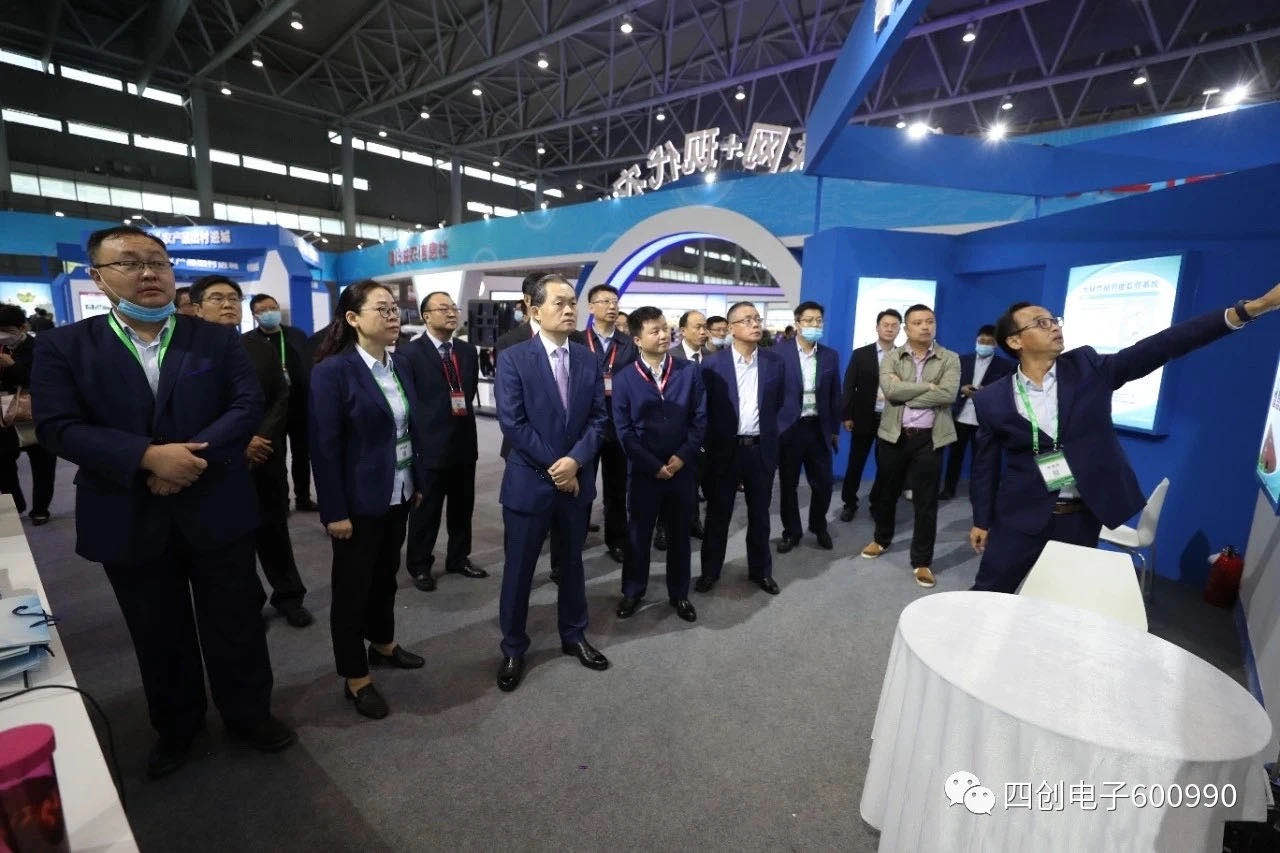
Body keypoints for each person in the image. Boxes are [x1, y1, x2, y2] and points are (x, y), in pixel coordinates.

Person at [31, 225, 294, 779]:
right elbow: (58, 427)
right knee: (156, 630)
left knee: (236, 623)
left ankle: (249, 716)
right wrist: (147, 458)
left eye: (158, 261)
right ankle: (178, 727)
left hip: (215, 503)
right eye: (130, 263)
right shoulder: (65, 346)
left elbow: (245, 407)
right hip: (127, 509)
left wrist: (184, 462)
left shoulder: (216, 340)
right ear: (98, 277)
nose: (149, 272)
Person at [969, 288, 1280, 593]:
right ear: (1015, 341)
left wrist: (1248, 310)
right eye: (1041, 323)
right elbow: (985, 467)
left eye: (1054, 320)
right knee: (989, 592)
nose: (1053, 327)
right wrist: (981, 520)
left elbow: (1162, 345)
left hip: (1080, 518)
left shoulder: (1088, 368)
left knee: (1062, 602)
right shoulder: (990, 400)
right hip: (1019, 516)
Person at [310, 280, 430, 719]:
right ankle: (355, 676)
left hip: (398, 493)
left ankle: (382, 643)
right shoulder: (333, 372)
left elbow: (408, 430)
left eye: (395, 308)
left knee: (385, 577)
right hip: (357, 504)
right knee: (352, 589)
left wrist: (416, 480)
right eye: (382, 309)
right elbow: (323, 448)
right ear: (353, 318)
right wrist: (334, 511)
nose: (393, 316)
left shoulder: (398, 366)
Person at [494, 274, 609, 692]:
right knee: (519, 570)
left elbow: (599, 419)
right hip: (530, 481)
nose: (569, 310)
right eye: (559, 303)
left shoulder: (588, 359)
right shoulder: (513, 357)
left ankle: (574, 634)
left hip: (575, 482)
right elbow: (513, 423)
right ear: (534, 309)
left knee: (572, 565)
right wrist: (557, 466)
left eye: (572, 302)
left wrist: (575, 462)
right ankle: (513, 647)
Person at [190, 277, 311, 629]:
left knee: (274, 529)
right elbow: (195, 411)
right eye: (217, 298)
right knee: (233, 537)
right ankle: (248, 601)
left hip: (265, 455)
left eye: (234, 298)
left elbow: (280, 397)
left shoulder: (258, 347)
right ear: (197, 308)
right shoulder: (186, 356)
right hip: (219, 460)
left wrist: (261, 437)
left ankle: (289, 596)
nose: (228, 304)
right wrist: (239, 442)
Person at [611, 306, 705, 622]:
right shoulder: (624, 378)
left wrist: (683, 456)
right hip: (644, 471)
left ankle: (679, 594)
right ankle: (633, 591)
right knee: (639, 535)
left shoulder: (688, 371)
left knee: (680, 536)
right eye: (655, 331)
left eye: (665, 328)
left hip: (682, 468)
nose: (664, 335)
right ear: (637, 339)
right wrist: (652, 464)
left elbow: (700, 418)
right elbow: (623, 429)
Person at [861, 304, 959, 589]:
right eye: (917, 322)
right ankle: (881, 539)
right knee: (887, 493)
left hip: (930, 438)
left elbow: (948, 394)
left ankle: (922, 561)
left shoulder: (950, 358)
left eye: (930, 321)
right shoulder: (892, 356)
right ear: (906, 328)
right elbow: (890, 392)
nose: (925, 326)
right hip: (894, 435)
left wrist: (906, 393)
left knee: (926, 501)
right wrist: (928, 387)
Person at [697, 300, 790, 595]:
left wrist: (774, 434)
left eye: (757, 319)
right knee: (718, 515)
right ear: (731, 328)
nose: (755, 324)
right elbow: (703, 410)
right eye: (747, 320)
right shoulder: (712, 365)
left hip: (761, 450)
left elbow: (785, 403)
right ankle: (710, 571)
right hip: (724, 450)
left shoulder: (774, 362)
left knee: (760, 515)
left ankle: (760, 571)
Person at [401, 291, 486, 591]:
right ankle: (420, 565)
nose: (451, 313)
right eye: (443, 308)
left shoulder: (467, 351)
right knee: (426, 511)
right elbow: (410, 404)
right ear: (426, 316)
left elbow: (468, 391)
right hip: (429, 446)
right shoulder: (409, 354)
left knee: (462, 509)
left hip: (463, 443)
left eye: (454, 308)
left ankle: (458, 558)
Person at [569, 284, 637, 563]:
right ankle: (574, 539)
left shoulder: (629, 344)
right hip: (585, 425)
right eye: (605, 301)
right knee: (581, 486)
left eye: (615, 301)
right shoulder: (575, 340)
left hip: (618, 426)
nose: (611, 306)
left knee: (617, 488)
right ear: (591, 307)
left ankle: (617, 540)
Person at [775, 301, 841, 552]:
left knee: (823, 483)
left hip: (818, 428)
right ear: (797, 323)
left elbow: (835, 394)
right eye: (809, 320)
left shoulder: (830, 355)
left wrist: (834, 429)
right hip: (789, 429)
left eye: (819, 321)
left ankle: (818, 525)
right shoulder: (778, 353)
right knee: (788, 485)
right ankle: (791, 531)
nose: (815, 325)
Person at [247, 295, 316, 511]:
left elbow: (308, 364)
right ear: (254, 315)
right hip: (272, 409)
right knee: (276, 457)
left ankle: (303, 498)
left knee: (302, 454)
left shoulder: (296, 335)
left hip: (299, 405)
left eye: (273, 307)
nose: (270, 312)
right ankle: (281, 502)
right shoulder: (249, 341)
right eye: (263, 310)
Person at [839, 309, 901, 521]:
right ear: (877, 327)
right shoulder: (861, 354)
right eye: (886, 324)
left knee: (886, 466)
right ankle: (849, 503)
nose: (889, 329)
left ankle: (877, 503)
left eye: (894, 325)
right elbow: (849, 386)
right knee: (855, 463)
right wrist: (846, 415)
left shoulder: (904, 356)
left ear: (899, 329)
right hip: (864, 417)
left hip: (890, 419)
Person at [939, 325, 1013, 501]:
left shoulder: (1006, 366)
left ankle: (977, 492)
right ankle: (948, 489)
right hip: (960, 416)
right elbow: (948, 384)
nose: (984, 345)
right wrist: (961, 389)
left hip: (984, 420)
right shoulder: (962, 360)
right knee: (954, 456)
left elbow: (1008, 391)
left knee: (981, 460)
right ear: (976, 341)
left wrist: (987, 392)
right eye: (981, 341)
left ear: (995, 344)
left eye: (989, 342)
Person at [0, 304, 57, 524]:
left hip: (35, 414)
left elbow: (45, 380)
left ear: (22, 327)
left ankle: (40, 509)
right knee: (4, 464)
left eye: (7, 330)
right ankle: (15, 503)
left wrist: (13, 366)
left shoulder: (40, 347)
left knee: (43, 464)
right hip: (4, 418)